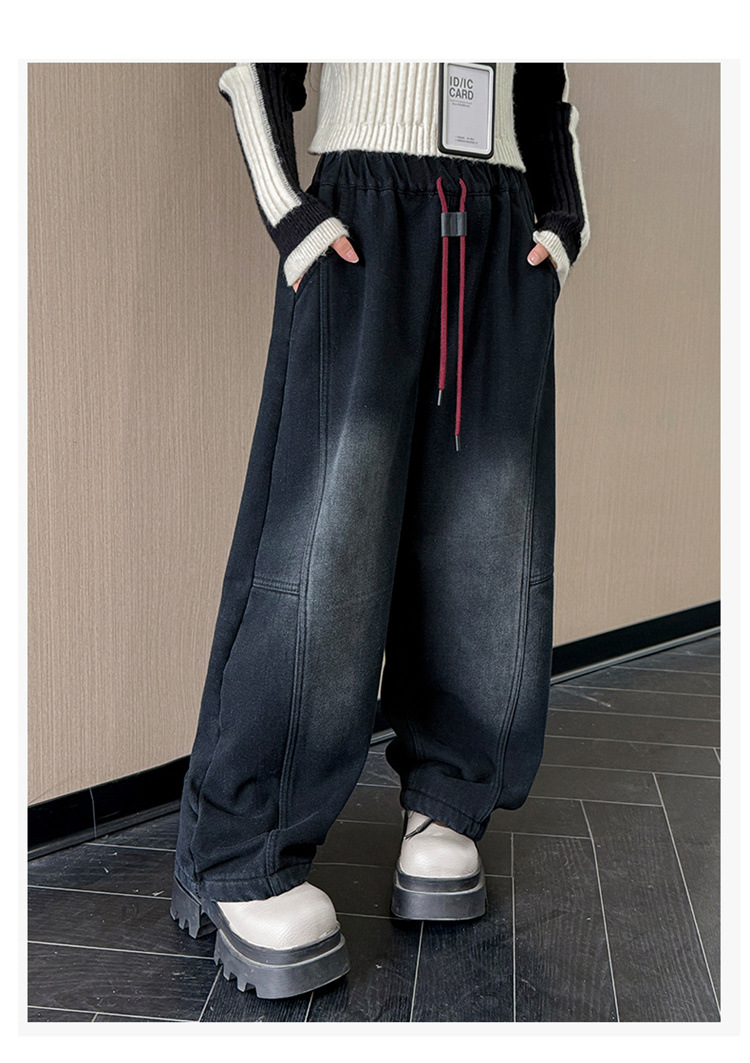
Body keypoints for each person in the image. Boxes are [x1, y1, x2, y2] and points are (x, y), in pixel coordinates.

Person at [170, 62, 590, 1000]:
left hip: (501, 226)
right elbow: (258, 68)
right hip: (366, 213)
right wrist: (294, 217)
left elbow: (544, 90)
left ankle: (449, 794)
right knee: (327, 542)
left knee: (489, 537)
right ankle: (240, 849)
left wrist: (563, 224)